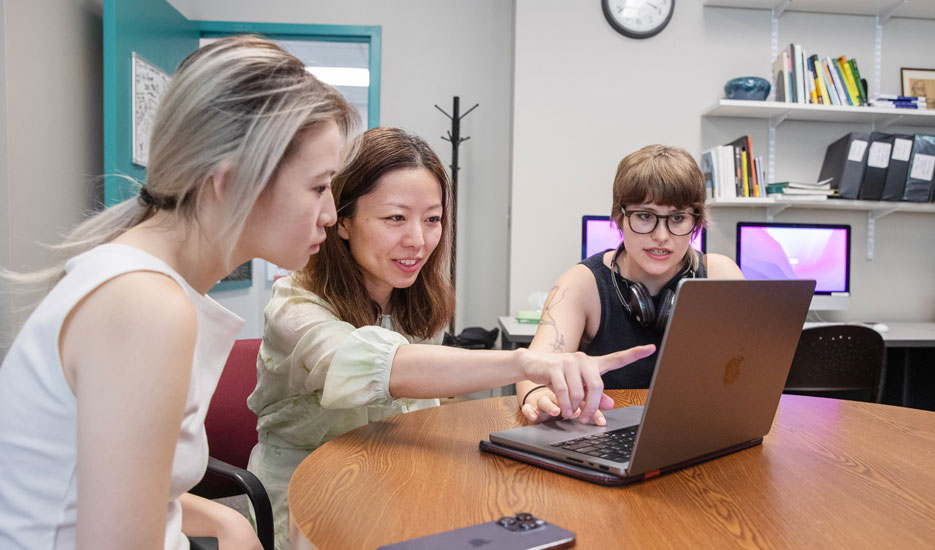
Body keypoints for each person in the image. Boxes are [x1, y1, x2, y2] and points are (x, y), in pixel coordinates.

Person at [0, 35, 360, 550]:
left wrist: (222, 520)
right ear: (232, 182)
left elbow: (110, 484)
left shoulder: (133, 276)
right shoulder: (144, 307)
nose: (329, 214)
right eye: (318, 186)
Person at [246, 126, 656, 550]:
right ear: (343, 220)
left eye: (433, 219)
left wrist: (541, 401)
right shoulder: (293, 308)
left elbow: (422, 401)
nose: (418, 241)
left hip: (397, 479)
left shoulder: (414, 298)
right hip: (307, 496)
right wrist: (524, 363)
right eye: (395, 218)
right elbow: (384, 367)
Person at [517, 144, 744, 426]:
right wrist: (540, 396)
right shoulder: (581, 284)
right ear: (620, 218)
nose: (661, 236)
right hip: (602, 435)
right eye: (645, 216)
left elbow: (753, 374)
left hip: (698, 432)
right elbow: (532, 371)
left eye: (677, 218)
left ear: (695, 222)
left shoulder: (719, 276)